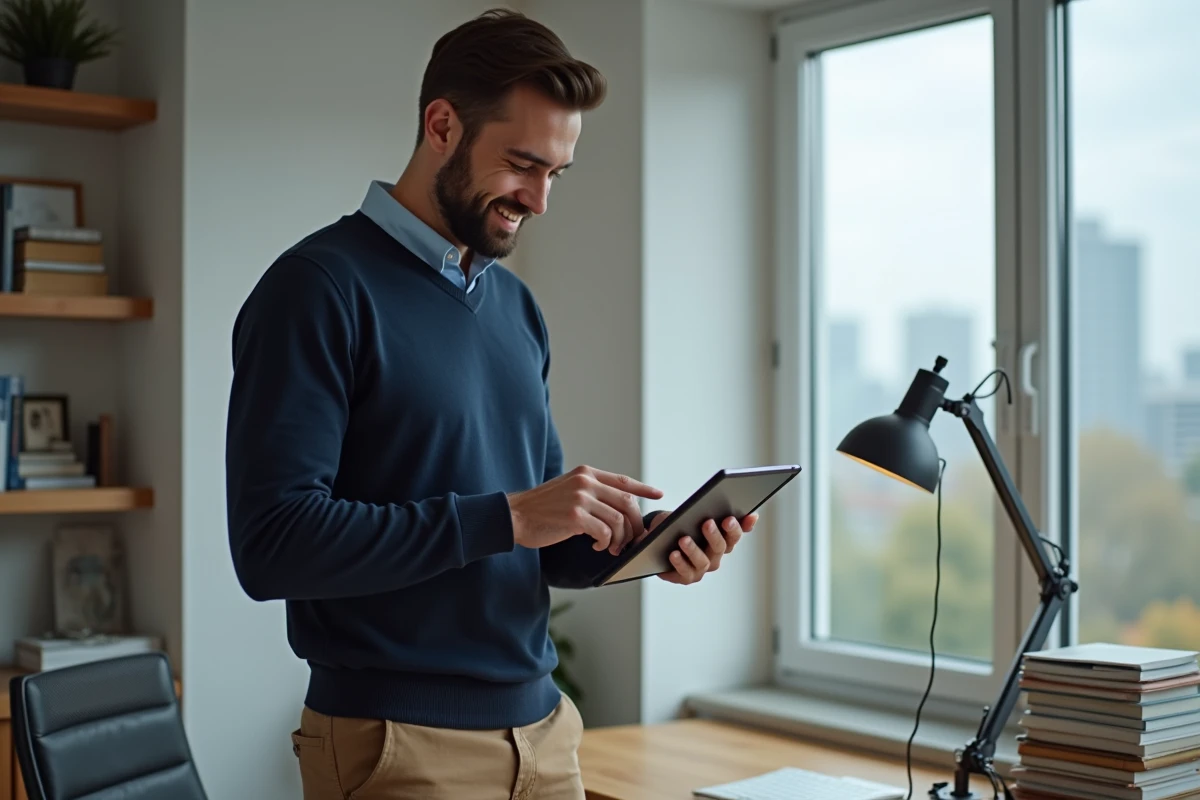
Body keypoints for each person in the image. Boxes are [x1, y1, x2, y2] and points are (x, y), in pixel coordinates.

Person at [224, 8, 756, 799]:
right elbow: (271, 545)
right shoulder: (317, 290)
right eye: (522, 164)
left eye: (556, 174)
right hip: (399, 748)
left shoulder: (515, 308)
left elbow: (541, 542)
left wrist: (645, 545)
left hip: (545, 738)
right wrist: (507, 516)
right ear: (442, 124)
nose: (539, 199)